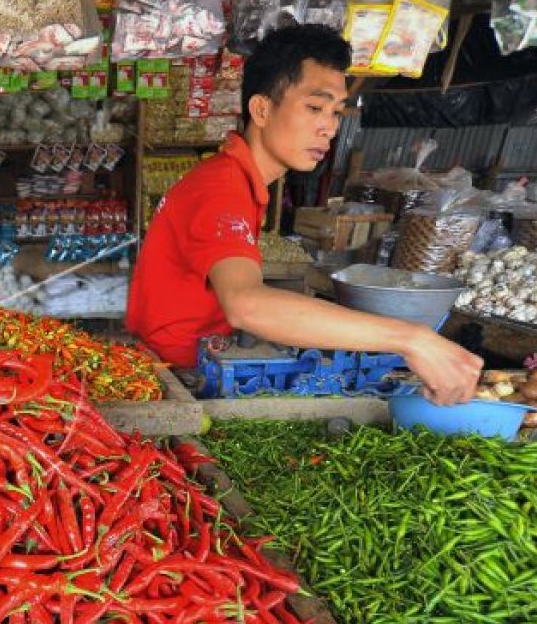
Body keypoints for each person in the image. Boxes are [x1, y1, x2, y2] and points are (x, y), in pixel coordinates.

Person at [126, 24, 482, 406]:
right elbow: (246, 304)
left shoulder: (239, 181)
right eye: (315, 107)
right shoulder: (221, 188)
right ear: (262, 109)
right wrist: (410, 338)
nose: (329, 127)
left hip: (190, 366)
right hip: (172, 382)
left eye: (335, 112)